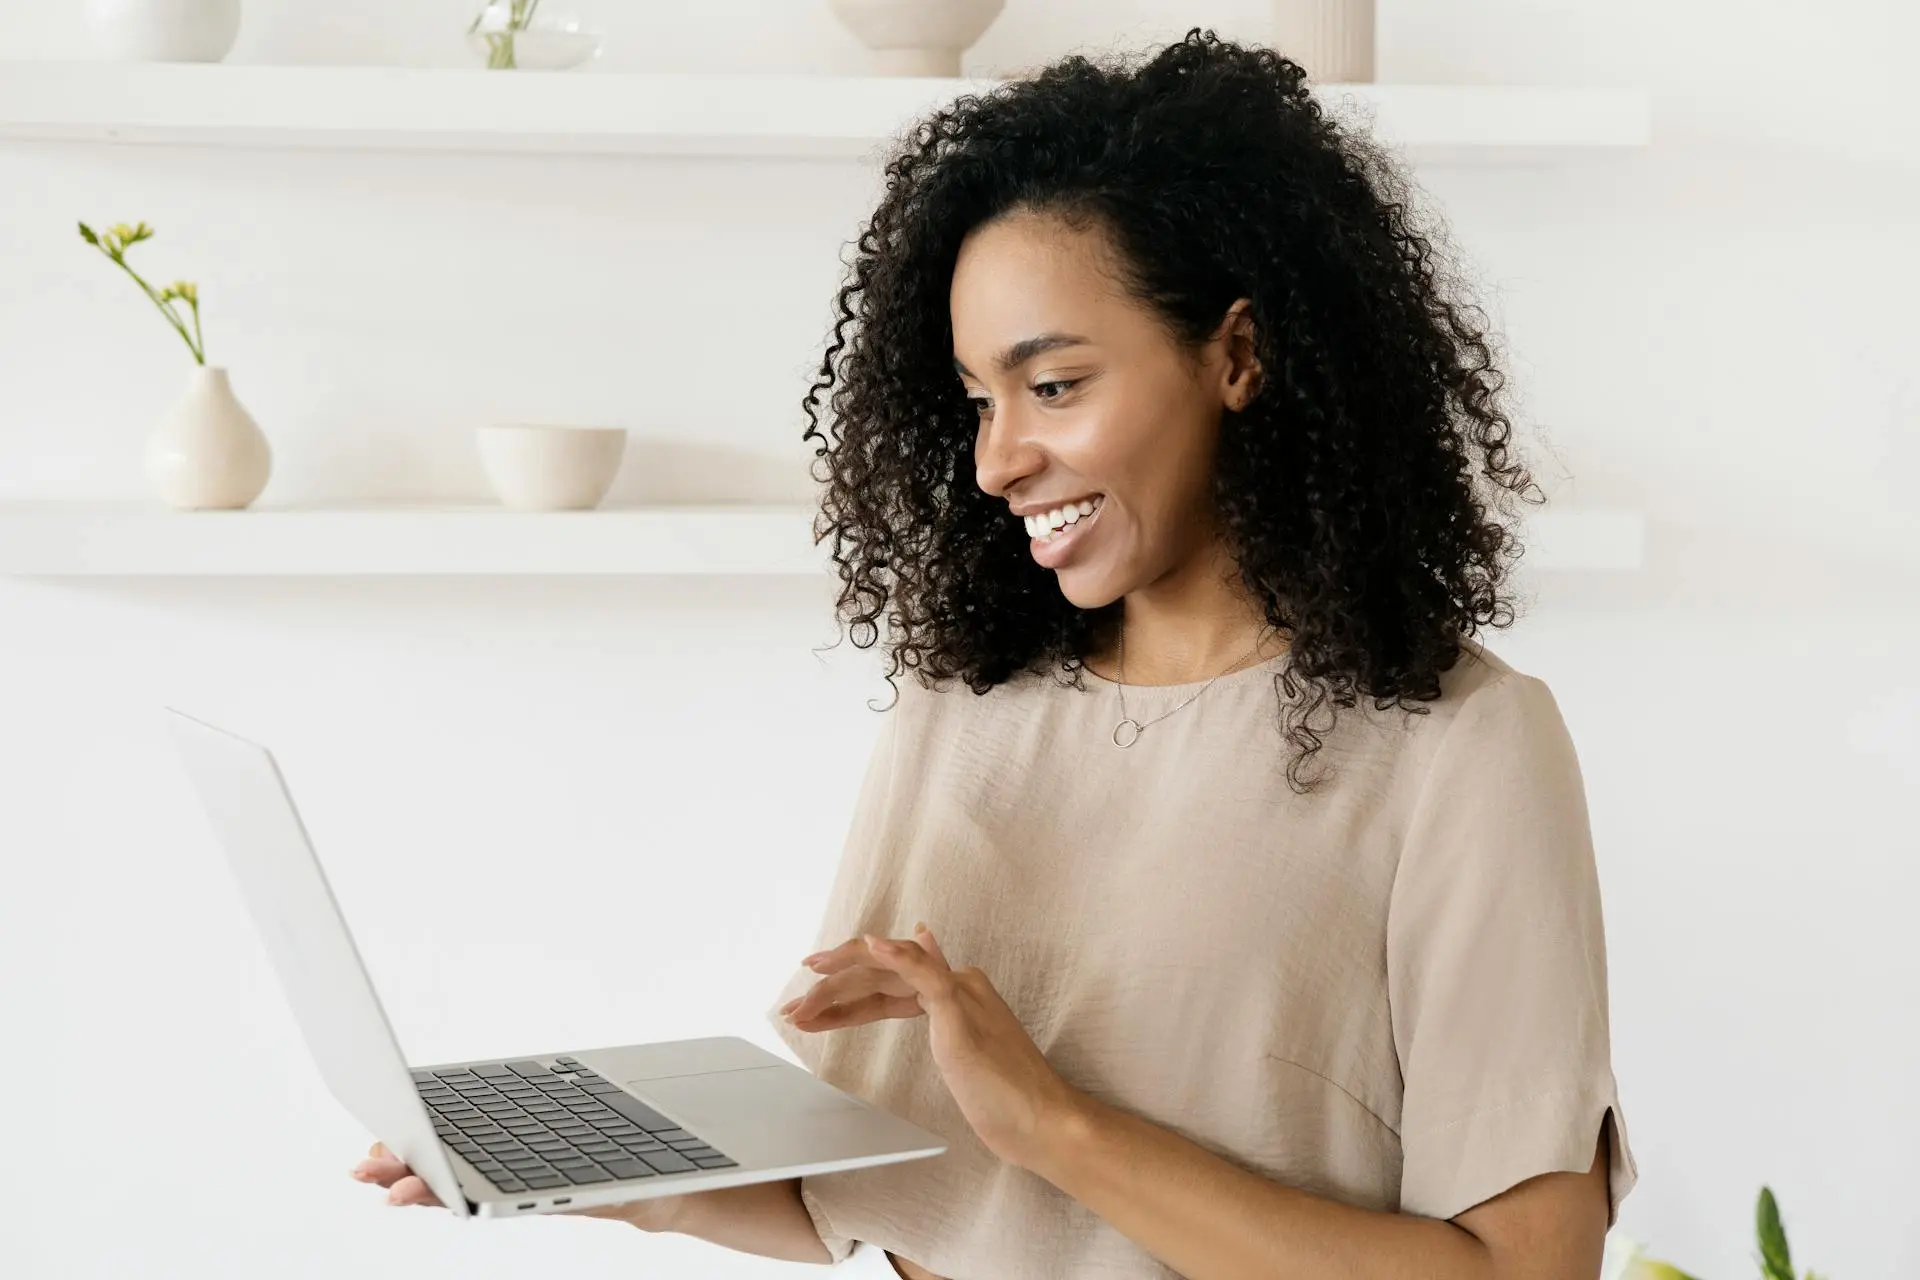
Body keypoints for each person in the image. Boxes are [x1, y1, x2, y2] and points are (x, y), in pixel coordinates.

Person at [353, 27, 1636, 1280]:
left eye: (1056, 386)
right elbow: (875, 1190)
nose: (997, 458)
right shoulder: (962, 710)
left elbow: (1529, 1266)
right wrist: (627, 1172)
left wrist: (1057, 1127)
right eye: (978, 398)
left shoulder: (1458, 744)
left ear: (1236, 355)